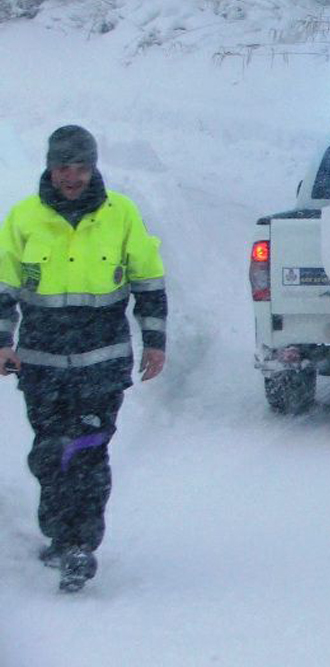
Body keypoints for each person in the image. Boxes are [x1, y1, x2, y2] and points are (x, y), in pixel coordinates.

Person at [0, 125, 167, 593]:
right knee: (51, 455)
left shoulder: (121, 215)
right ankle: (59, 536)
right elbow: (2, 287)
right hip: (41, 364)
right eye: (62, 167)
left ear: (94, 167)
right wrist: (2, 340)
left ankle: (80, 548)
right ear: (49, 168)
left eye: (80, 167)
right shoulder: (23, 218)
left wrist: (155, 341)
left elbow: (148, 282)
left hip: (102, 364)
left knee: (88, 453)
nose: (71, 177)